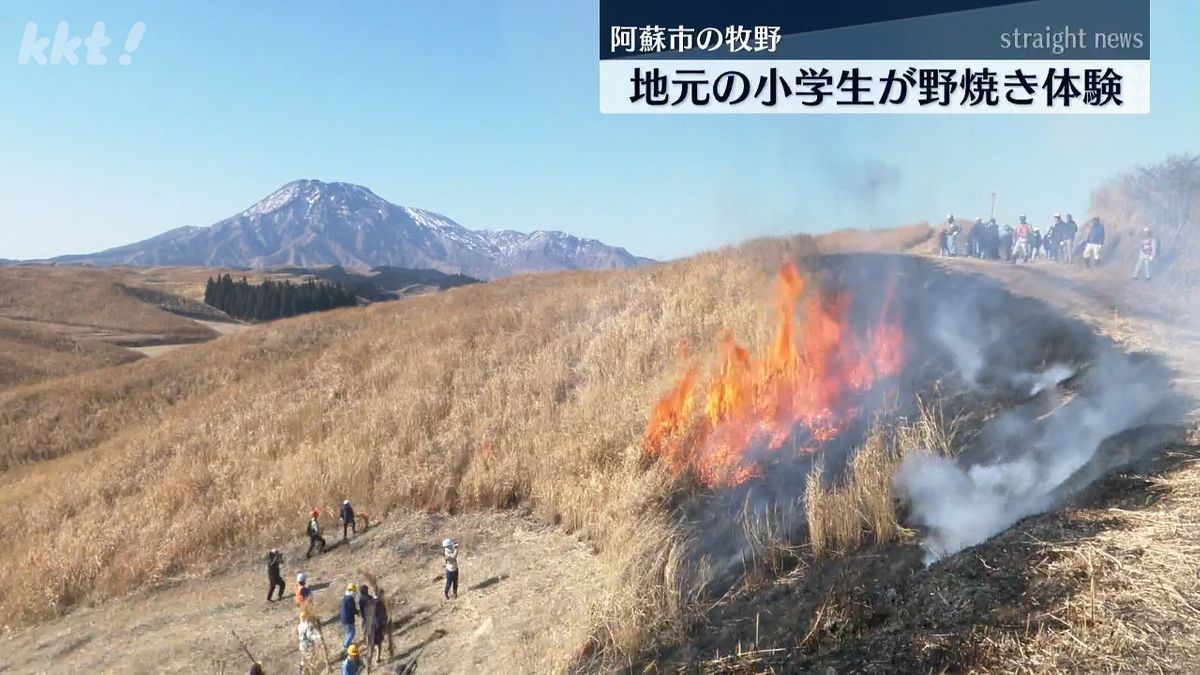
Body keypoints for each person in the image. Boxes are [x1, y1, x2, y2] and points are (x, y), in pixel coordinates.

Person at [297, 609, 325, 675]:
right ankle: (308, 672)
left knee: (304, 657)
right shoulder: (307, 626)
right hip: (307, 645)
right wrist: (318, 637)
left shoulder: (299, 626)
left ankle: (301, 669)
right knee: (310, 659)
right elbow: (310, 636)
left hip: (302, 645)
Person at [340, 583, 359, 654]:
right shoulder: (350, 599)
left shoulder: (345, 597)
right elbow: (352, 609)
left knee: (348, 632)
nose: (355, 593)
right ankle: (345, 647)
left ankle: (346, 643)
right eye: (354, 591)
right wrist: (358, 613)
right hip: (348, 618)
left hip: (343, 617)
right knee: (352, 632)